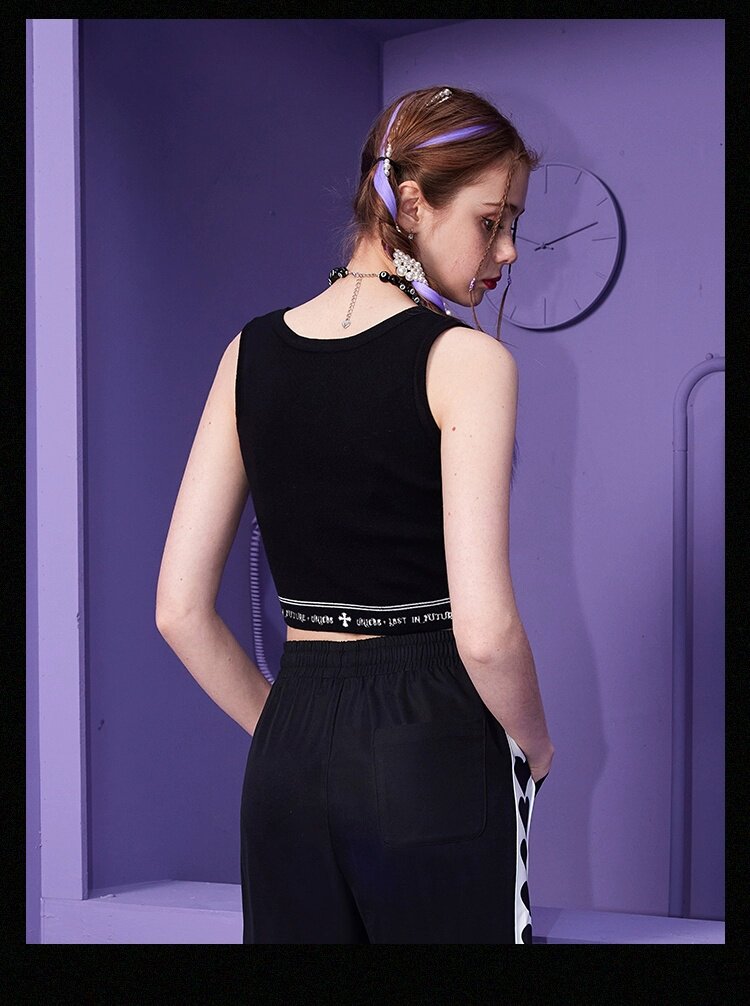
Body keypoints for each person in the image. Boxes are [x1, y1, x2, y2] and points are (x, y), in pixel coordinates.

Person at [156, 85, 555, 944]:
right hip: (433, 742)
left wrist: (292, 729)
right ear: (410, 204)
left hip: (289, 753)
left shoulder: (247, 353)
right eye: (492, 221)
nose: (509, 251)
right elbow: (486, 633)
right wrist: (534, 749)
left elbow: (179, 610)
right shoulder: (468, 360)